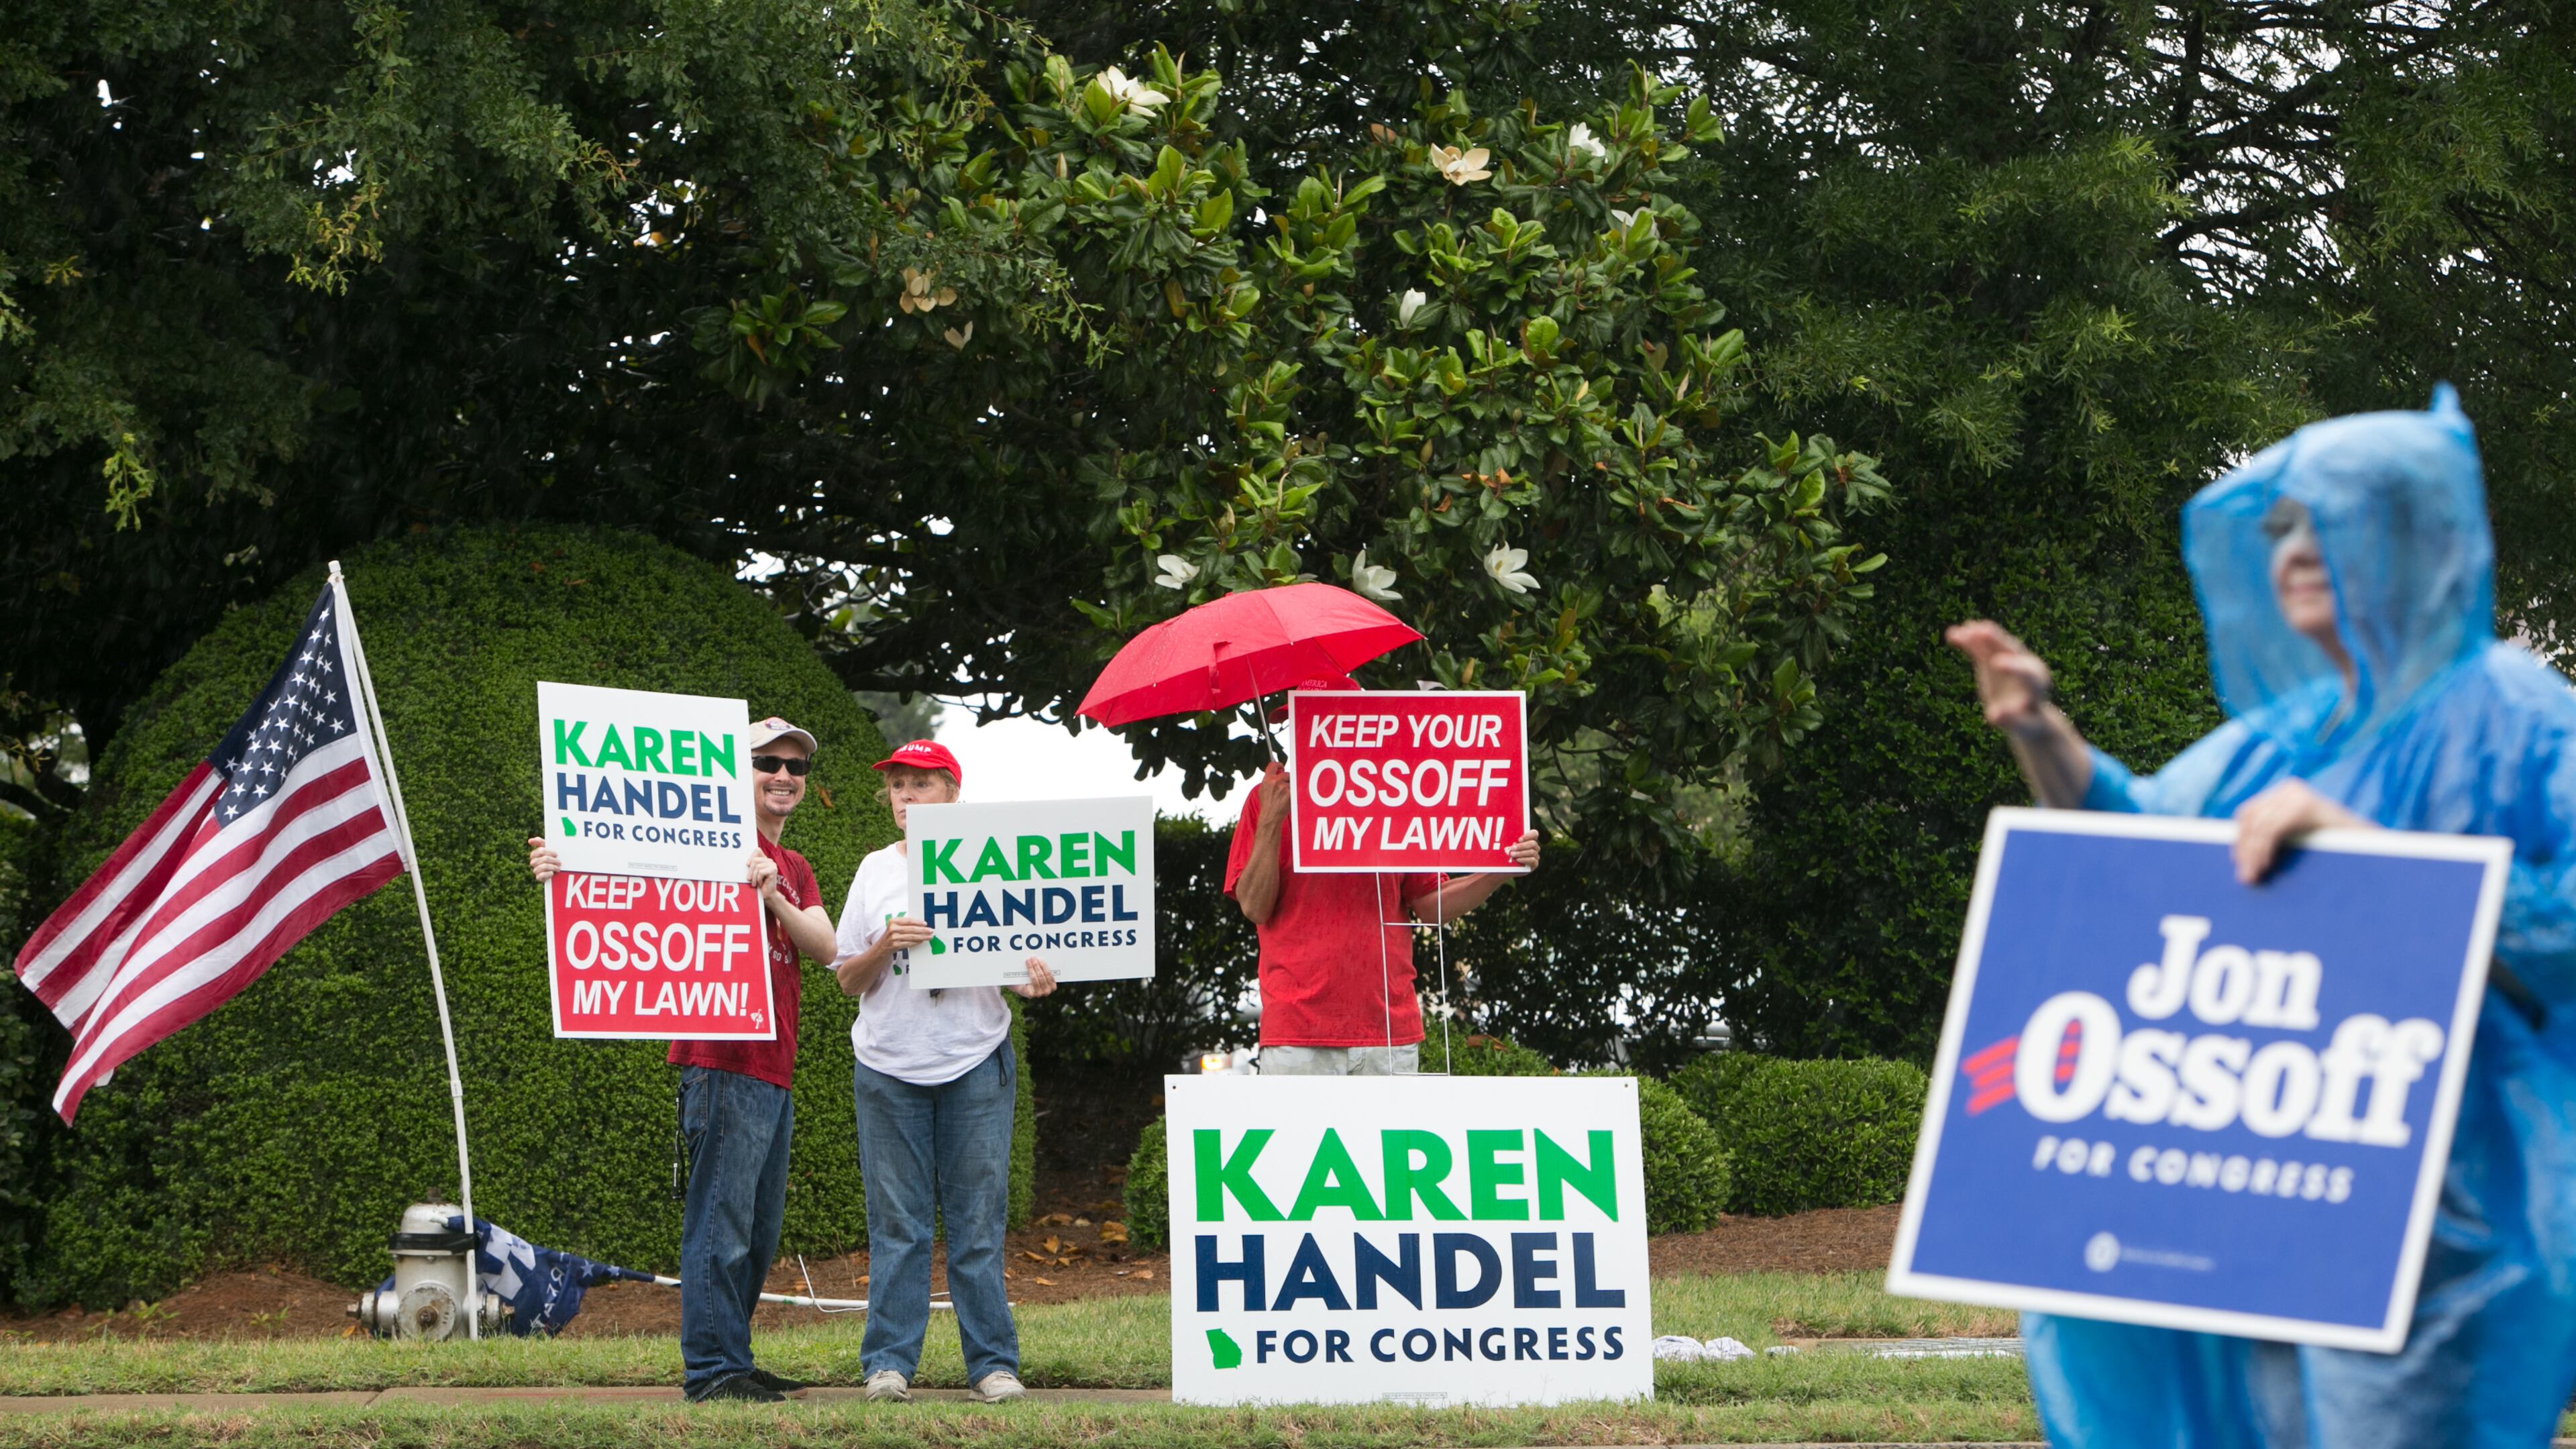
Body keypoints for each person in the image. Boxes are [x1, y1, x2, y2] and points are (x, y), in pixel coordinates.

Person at [1948, 386, 2576, 1447]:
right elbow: (2147, 844)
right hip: (2274, 1176)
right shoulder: (2283, 739)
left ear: (2413, 535)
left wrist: (2372, 858)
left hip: (2447, 1199)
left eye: (2325, 523)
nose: (2292, 549)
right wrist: (2043, 732)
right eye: (2280, 527)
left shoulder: (2512, 710)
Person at [528, 716, 838, 1404]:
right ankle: (711, 1371)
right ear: (737, 773)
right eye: (767, 762)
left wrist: (772, 894)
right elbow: (623, 865)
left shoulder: (793, 867)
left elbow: (825, 945)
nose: (785, 776)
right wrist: (561, 864)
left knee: (756, 1233)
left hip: (773, 1067)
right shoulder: (703, 842)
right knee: (719, 1225)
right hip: (721, 1060)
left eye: (796, 767)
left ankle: (734, 1355)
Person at [830, 739, 1057, 1403]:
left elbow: (1023, 964)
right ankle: (889, 1366)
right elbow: (847, 978)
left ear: (954, 794)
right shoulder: (874, 870)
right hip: (888, 1067)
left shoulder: (998, 863)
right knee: (897, 1225)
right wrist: (884, 944)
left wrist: (1034, 981)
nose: (906, 797)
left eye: (921, 785)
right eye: (898, 786)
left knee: (978, 1223)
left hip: (974, 1062)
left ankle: (992, 1366)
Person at [1226, 678, 1542, 1075]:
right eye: (1298, 724)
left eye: (1325, 720)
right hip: (1299, 1034)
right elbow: (1254, 907)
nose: (1309, 734)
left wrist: (1499, 870)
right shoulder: (1265, 800)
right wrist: (1273, 818)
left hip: (1389, 1032)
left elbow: (1431, 905)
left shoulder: (1395, 795)